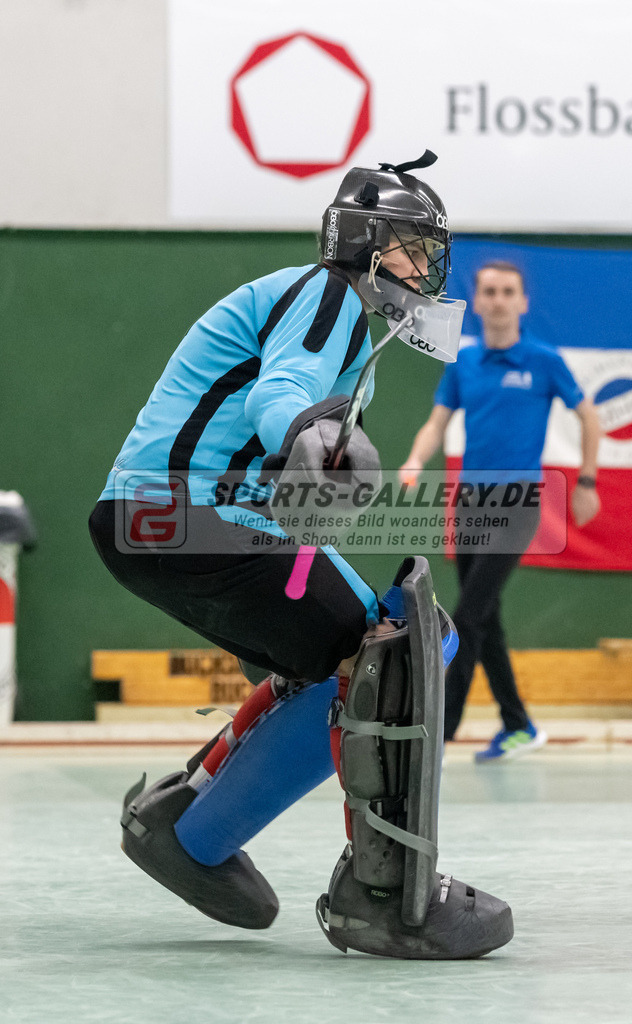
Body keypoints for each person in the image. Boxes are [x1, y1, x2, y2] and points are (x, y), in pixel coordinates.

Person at [88, 154, 514, 959]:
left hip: (153, 521)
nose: (424, 267)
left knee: (346, 659)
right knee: (402, 649)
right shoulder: (328, 295)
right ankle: (385, 898)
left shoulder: (324, 312)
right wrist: (309, 431)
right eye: (412, 247)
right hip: (187, 514)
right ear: (366, 243)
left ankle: (188, 826)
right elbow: (278, 393)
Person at [400, 260, 601, 761]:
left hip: (518, 505)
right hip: (470, 504)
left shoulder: (544, 361)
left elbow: (589, 417)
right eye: (489, 291)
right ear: (478, 300)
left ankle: (439, 733)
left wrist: (587, 482)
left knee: (468, 617)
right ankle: (518, 724)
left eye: (508, 291)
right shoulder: (464, 363)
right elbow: (437, 422)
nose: (498, 300)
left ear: (522, 302)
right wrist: (415, 459)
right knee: (485, 618)